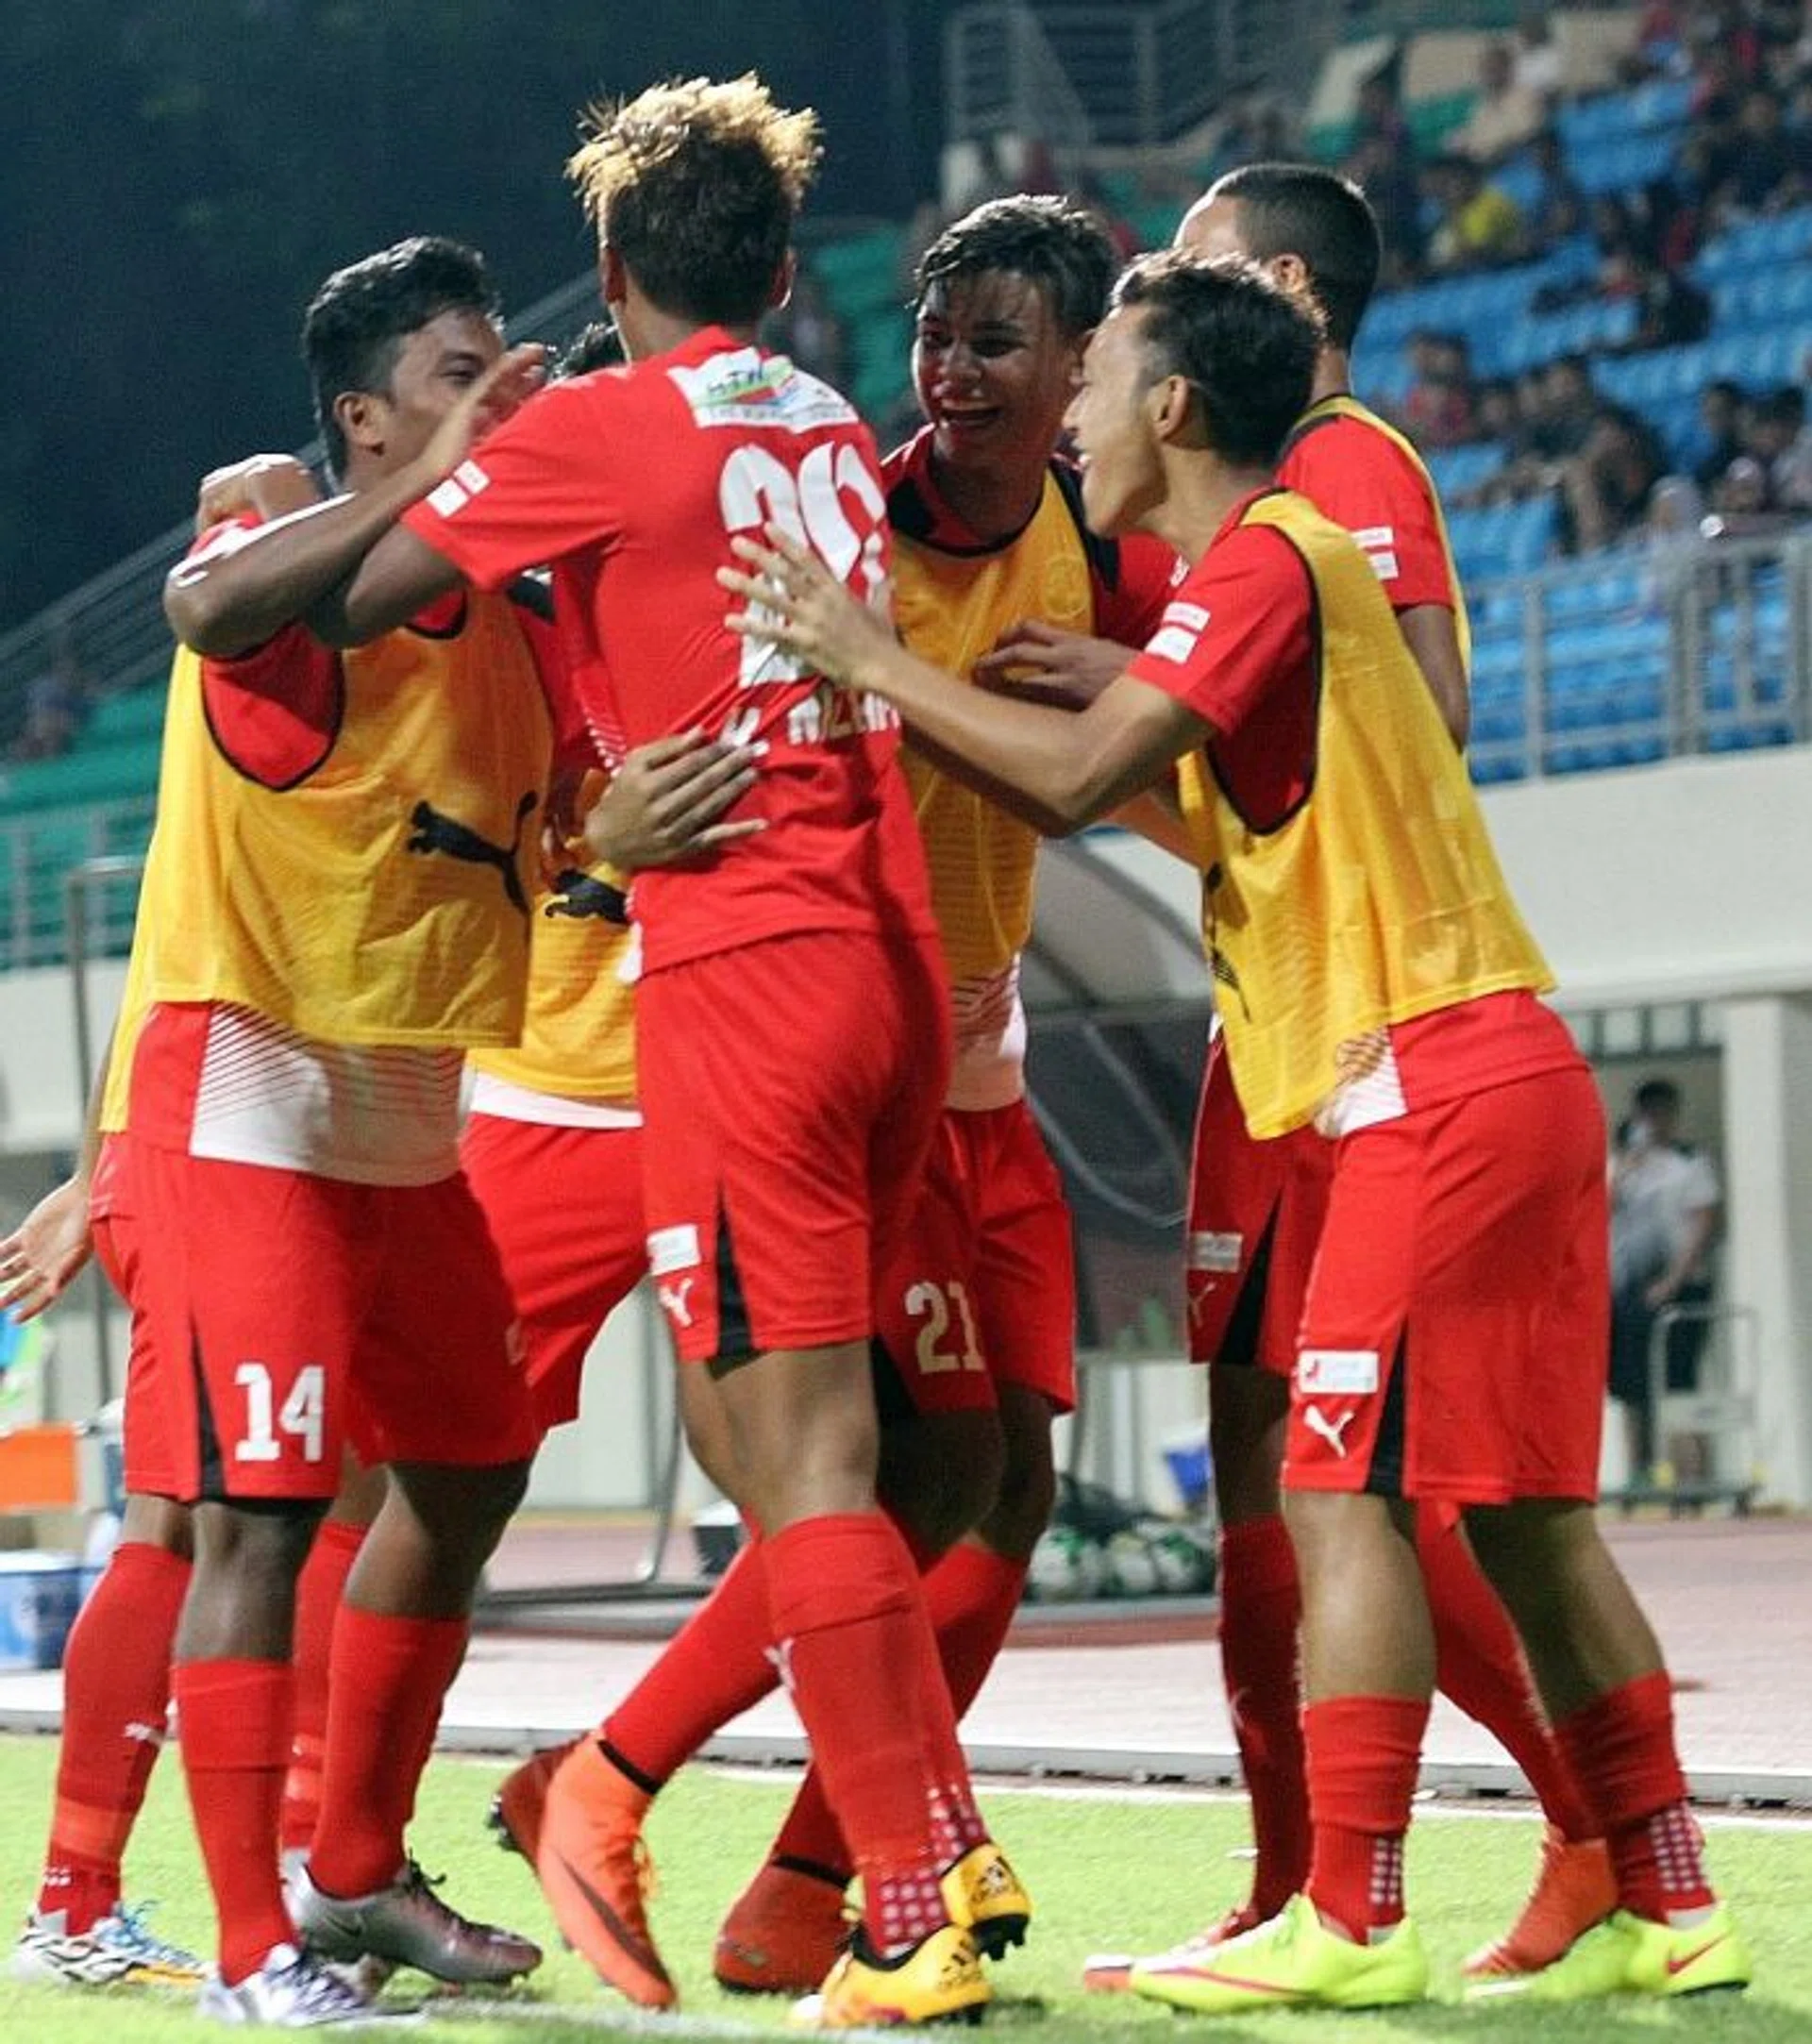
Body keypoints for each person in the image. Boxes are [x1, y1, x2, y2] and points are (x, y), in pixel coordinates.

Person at [726, 248, 1750, 2013]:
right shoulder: (1258, 591)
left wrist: (867, 658)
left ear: (1174, 404)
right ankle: (1672, 1890)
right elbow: (1185, 808)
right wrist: (1046, 699)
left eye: (1101, 382)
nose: (1079, 420)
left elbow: (1074, 782)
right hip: (1496, 1075)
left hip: (1423, 1084)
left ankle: (1349, 1915)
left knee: (1329, 1488)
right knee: (1530, 1524)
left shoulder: (1270, 551)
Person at [193, 77, 1009, 2031]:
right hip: (897, 970)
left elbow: (334, 601)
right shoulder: (821, 417)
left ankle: (901, 1904)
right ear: (794, 272)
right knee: (849, 1453)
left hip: (734, 981)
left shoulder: (588, 435)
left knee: (793, 1461)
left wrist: (472, 455)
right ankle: (823, 1843)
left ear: (616, 266)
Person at [494, 193, 1182, 2005]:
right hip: (796, 1029)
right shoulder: (823, 504)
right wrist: (591, 864)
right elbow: (629, 733)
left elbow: (1162, 773)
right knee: (850, 1470)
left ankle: (820, 1875)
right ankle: (831, 1841)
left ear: (1081, 370)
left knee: (998, 1485)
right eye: (935, 334)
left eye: (996, 342)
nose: (949, 373)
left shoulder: (1097, 545)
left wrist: (1116, 728)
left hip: (963, 1058)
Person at [979, 162, 1615, 1988]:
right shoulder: (1216, 517)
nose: (1130, 306)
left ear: (1257, 295)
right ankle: (1310, 1881)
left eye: (1163, 277)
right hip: (1283, 1026)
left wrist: (1116, 687)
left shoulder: (1334, 476)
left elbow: (1409, 718)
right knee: (1283, 1465)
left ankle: (1439, 1868)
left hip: (1376, 1030)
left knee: (1353, 1476)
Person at [150, 234, 558, 2023]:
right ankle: (248, 1947)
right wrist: (462, 469)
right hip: (251, 1106)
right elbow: (214, 606)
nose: (505, 389)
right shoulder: (283, 606)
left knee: (472, 1469)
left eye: (505, 362)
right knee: (254, 1516)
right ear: (364, 421)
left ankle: (353, 1870)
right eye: (462, 372)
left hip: (410, 1125)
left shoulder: (514, 622)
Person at [1608, 1079, 1721, 1479]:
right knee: (1631, 1387)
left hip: (1678, 1286)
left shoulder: (1690, 1162)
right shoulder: (1621, 1165)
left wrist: (1673, 1281)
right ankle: (1639, 1472)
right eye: (1648, 1114)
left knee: (1678, 1382)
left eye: (1662, 1113)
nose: (1655, 1122)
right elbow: (1598, 1211)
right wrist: (1625, 1166)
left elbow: (1703, 1223)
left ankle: (1693, 1475)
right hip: (1627, 1288)